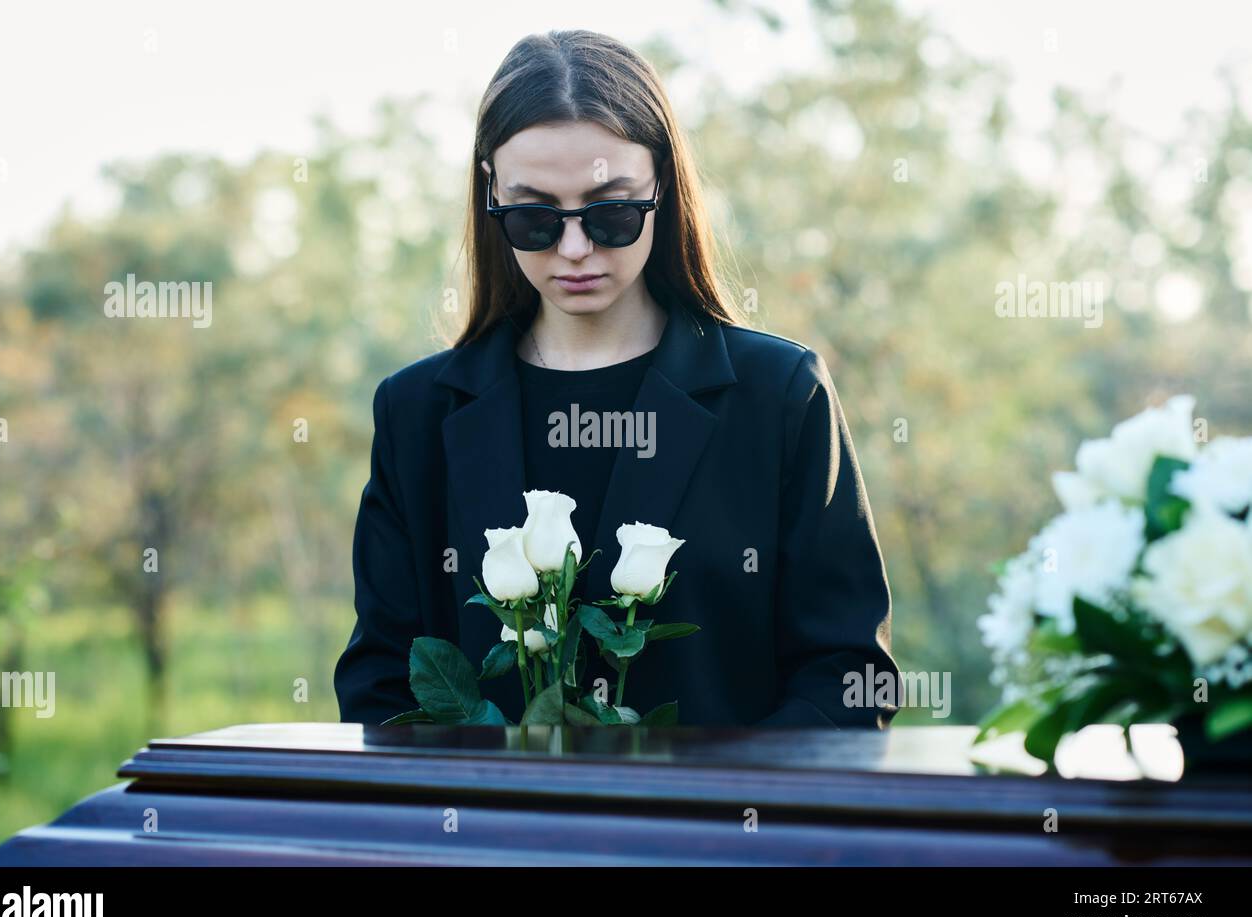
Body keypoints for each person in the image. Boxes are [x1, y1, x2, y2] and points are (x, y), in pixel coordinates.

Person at [334, 29, 898, 727]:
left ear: (662, 185)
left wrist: (729, 823)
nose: (575, 249)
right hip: (485, 835)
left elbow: (845, 674)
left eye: (611, 212)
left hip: (722, 832)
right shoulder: (415, 412)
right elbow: (382, 687)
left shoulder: (779, 395)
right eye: (535, 217)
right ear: (491, 196)